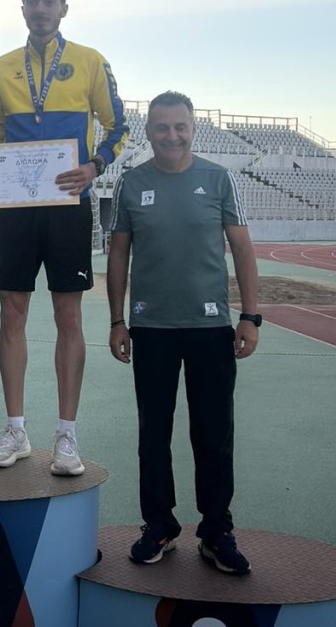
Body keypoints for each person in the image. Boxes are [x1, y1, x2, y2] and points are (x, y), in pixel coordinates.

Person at [0, 0, 129, 476]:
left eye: (49, 1)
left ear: (64, 7)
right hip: (16, 210)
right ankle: (15, 429)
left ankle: (66, 435)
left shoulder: (90, 61)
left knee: (69, 316)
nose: (40, 9)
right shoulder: (2, 67)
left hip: (68, 206)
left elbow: (118, 127)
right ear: (22, 8)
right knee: (11, 314)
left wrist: (95, 165)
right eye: (32, 1)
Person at [106, 91, 261, 575]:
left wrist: (250, 316)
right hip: (151, 329)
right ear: (149, 132)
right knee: (153, 435)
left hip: (211, 328)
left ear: (193, 129)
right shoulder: (132, 182)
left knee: (213, 435)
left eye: (180, 126)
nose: (171, 135)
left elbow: (242, 248)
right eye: (162, 127)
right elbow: (118, 254)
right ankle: (159, 525)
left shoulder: (218, 179)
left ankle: (216, 530)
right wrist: (117, 320)